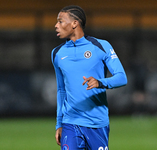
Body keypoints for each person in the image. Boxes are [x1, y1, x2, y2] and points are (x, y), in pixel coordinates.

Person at [51, 5, 127, 150]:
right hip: (70, 123)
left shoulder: (100, 46)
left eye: (60, 21)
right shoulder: (57, 53)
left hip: (97, 123)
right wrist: (59, 123)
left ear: (75, 23)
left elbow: (122, 78)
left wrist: (100, 82)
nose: (56, 25)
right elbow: (61, 90)